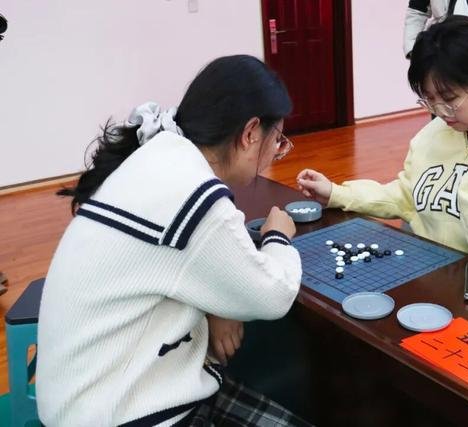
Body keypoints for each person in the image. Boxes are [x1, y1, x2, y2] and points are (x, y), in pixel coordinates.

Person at [36, 55, 311, 426]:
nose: (275, 155)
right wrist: (278, 235)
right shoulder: (193, 192)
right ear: (250, 133)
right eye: (277, 141)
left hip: (83, 401)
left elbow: (170, 262)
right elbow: (273, 293)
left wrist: (217, 306)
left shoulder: (158, 156)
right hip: (121, 413)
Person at [300, 16, 468, 288]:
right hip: (443, 277)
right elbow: (408, 195)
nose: (439, 112)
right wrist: (338, 193)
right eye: (429, 100)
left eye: (450, 98)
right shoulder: (439, 131)